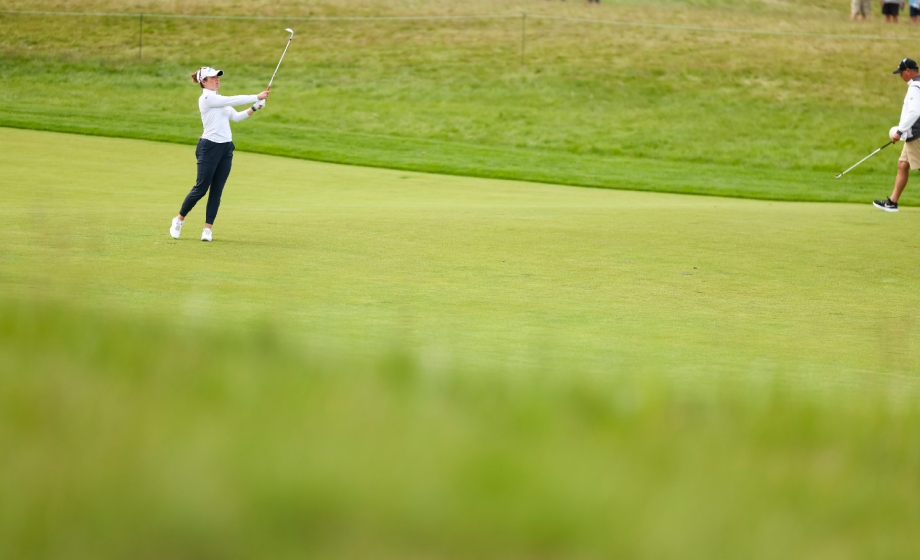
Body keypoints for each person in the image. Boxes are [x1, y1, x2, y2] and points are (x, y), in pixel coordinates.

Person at [169, 67, 269, 241]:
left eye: (217, 76)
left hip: (225, 148)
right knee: (201, 188)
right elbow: (233, 99)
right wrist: (256, 96)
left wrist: (255, 107)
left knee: (216, 191)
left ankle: (207, 229)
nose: (216, 79)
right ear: (203, 82)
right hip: (209, 147)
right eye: (212, 77)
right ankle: (179, 219)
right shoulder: (207, 98)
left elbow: (236, 117)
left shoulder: (220, 101)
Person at [874, 58, 920, 212]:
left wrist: (900, 131)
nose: (901, 76)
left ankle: (893, 202)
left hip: (916, 134)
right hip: (912, 134)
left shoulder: (915, 87)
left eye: (901, 72)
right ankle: (892, 202)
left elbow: (914, 112)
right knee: (902, 165)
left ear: (908, 71)